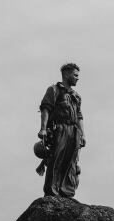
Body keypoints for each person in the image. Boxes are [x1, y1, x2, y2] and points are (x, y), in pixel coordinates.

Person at [38, 63, 86, 198]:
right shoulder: (53, 90)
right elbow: (45, 108)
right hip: (59, 129)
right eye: (75, 75)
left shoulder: (76, 96)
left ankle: (67, 191)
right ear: (66, 74)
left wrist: (82, 134)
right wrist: (43, 129)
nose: (77, 78)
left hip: (74, 131)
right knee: (57, 158)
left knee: (71, 162)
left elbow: (80, 117)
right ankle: (52, 191)